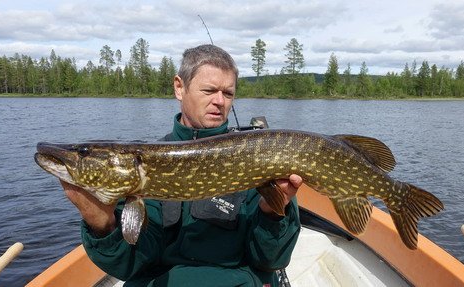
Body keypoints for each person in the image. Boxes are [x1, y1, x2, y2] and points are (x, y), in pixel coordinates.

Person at [61, 44, 302, 286]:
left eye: (228, 94)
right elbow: (132, 264)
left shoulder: (256, 155)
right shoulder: (150, 163)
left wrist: (272, 212)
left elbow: (270, 260)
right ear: (179, 87)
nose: (220, 101)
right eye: (209, 90)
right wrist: (102, 224)